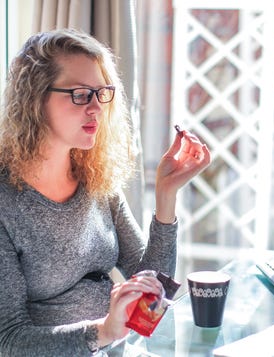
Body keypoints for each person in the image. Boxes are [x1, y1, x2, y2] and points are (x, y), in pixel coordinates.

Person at [0, 28, 211, 356]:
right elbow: (8, 340)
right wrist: (104, 331)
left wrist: (166, 196)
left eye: (102, 93)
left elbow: (149, 289)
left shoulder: (94, 176)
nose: (97, 108)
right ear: (35, 98)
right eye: (81, 94)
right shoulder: (6, 202)